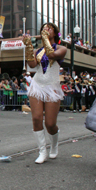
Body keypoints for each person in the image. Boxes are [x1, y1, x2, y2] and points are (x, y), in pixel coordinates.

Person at [22, 23, 67, 164]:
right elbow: (32, 65)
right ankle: (42, 151)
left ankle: (54, 145)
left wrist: (45, 39)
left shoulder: (62, 48)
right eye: (43, 28)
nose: (46, 29)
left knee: (50, 123)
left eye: (49, 28)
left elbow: (52, 54)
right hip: (37, 85)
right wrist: (28, 45)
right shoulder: (37, 51)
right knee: (36, 118)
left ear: (55, 32)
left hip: (52, 87)